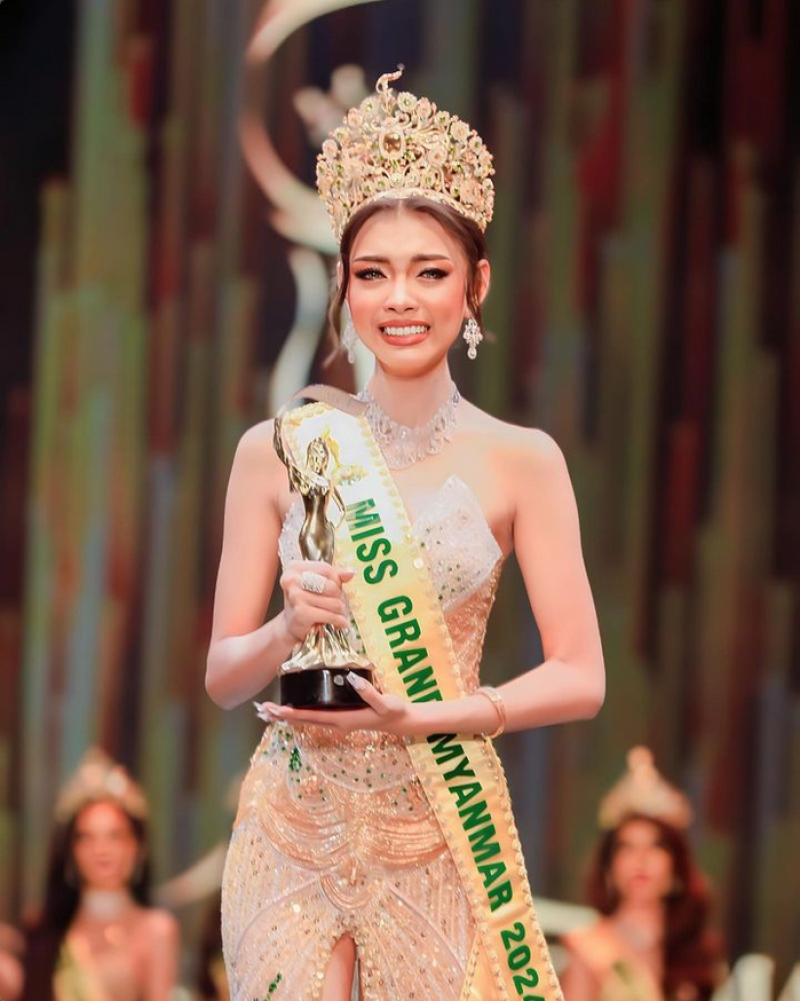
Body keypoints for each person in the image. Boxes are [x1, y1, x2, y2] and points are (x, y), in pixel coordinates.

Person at [207, 67, 605, 1000]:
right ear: (344, 286)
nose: (400, 299)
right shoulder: (281, 448)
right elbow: (223, 675)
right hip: (290, 825)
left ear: (476, 284)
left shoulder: (524, 460)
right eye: (373, 272)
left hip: (436, 819)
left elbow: (581, 676)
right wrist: (285, 629)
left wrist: (426, 715)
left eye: (430, 271)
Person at [560, 748, 724, 1001]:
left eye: (655, 847)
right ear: (609, 867)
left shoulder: (692, 952)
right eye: (627, 848)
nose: (641, 860)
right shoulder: (590, 948)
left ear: (676, 866)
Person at [22, 748, 180, 1001]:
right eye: (87, 838)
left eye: (115, 836)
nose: (101, 850)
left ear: (138, 848)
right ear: (71, 850)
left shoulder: (156, 929)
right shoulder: (48, 930)